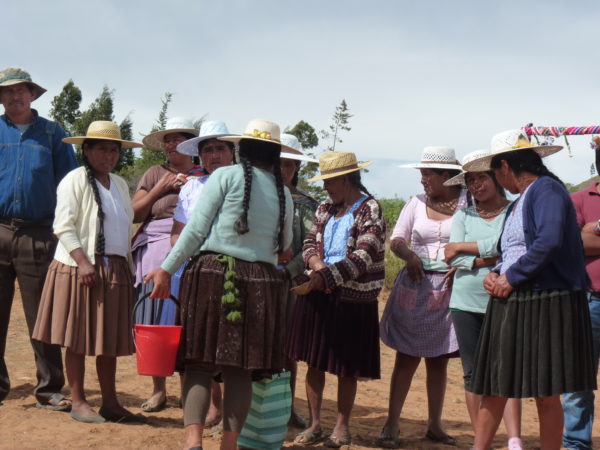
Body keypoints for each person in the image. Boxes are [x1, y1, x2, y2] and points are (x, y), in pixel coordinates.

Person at [145, 118, 293, 450]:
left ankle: (193, 441)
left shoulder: (225, 176)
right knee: (240, 370)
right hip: (262, 284)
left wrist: (166, 270)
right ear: (275, 155)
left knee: (199, 364)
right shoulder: (284, 193)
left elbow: (195, 231)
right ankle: (229, 445)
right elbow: (283, 248)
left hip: (213, 274)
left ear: (241, 149)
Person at [463, 130, 596, 450]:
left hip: (547, 302)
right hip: (518, 301)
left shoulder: (547, 191)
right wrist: (495, 274)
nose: (498, 179)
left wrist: (511, 278)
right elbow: (510, 250)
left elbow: (547, 241)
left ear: (505, 167)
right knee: (495, 386)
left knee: (547, 390)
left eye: (495, 172)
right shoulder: (520, 202)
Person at [32, 121, 146, 423]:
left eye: (113, 150)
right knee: (78, 338)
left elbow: (124, 226)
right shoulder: (75, 180)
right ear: (86, 149)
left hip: (114, 269)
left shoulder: (119, 184)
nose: (108, 156)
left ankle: (110, 402)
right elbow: (63, 226)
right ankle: (80, 401)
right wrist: (83, 261)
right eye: (101, 149)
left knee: (108, 340)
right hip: (79, 267)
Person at [287, 151, 386, 448]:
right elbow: (309, 241)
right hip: (320, 292)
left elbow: (365, 254)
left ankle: (341, 426)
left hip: (352, 298)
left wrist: (326, 277)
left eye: (330, 181)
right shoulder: (325, 209)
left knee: (346, 366)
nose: (327, 187)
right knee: (314, 362)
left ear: (345, 179)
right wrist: (317, 268)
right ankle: (316, 423)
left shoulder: (370, 209)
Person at [0, 67, 78, 410]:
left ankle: (49, 389)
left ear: (32, 94)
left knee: (42, 314)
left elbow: (71, 186)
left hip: (40, 232)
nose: (15, 96)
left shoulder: (52, 134)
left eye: (21, 90)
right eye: (8, 92)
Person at [379, 147, 465, 447]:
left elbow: (475, 241)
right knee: (407, 356)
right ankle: (392, 422)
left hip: (448, 289)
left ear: (448, 176)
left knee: (439, 359)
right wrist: (409, 255)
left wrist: (462, 262)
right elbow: (397, 240)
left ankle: (435, 424)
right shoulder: (415, 204)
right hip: (415, 288)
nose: (423, 180)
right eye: (422, 174)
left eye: (427, 174)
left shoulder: (468, 204)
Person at [442, 150, 522, 450]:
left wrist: (465, 249)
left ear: (496, 178)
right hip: (464, 303)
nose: (476, 185)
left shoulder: (514, 211)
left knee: (507, 372)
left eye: (482, 178)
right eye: (471, 180)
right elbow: (450, 256)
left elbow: (508, 246)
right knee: (473, 374)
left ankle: (514, 439)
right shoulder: (463, 214)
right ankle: (482, 441)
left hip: (502, 299)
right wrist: (482, 258)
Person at [171, 120, 238, 428]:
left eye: (220, 148)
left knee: (232, 342)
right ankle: (212, 406)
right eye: (207, 149)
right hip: (197, 273)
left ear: (232, 152)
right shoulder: (192, 186)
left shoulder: (246, 183)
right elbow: (177, 234)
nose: (214, 155)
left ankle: (230, 414)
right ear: (199, 156)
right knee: (202, 343)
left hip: (238, 273)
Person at [131, 117, 200, 413]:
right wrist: (160, 187)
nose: (171, 145)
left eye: (178, 139)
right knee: (155, 316)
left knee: (187, 317)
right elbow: (135, 213)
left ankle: (189, 392)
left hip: (193, 246)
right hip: (154, 248)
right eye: (168, 140)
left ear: (190, 145)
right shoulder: (154, 173)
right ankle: (158, 389)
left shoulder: (205, 174)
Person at [277, 133, 318, 429]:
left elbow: (310, 245)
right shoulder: (249, 195)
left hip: (288, 284)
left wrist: (287, 270)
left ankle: (287, 408)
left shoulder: (305, 203)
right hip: (253, 278)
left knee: (286, 348)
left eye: (289, 165)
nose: (282, 170)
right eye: (277, 163)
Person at [563, 139, 600, 450]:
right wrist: (586, 235)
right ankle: (576, 444)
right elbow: (572, 245)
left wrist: (595, 231)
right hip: (589, 302)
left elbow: (586, 240)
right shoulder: (578, 198)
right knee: (579, 380)